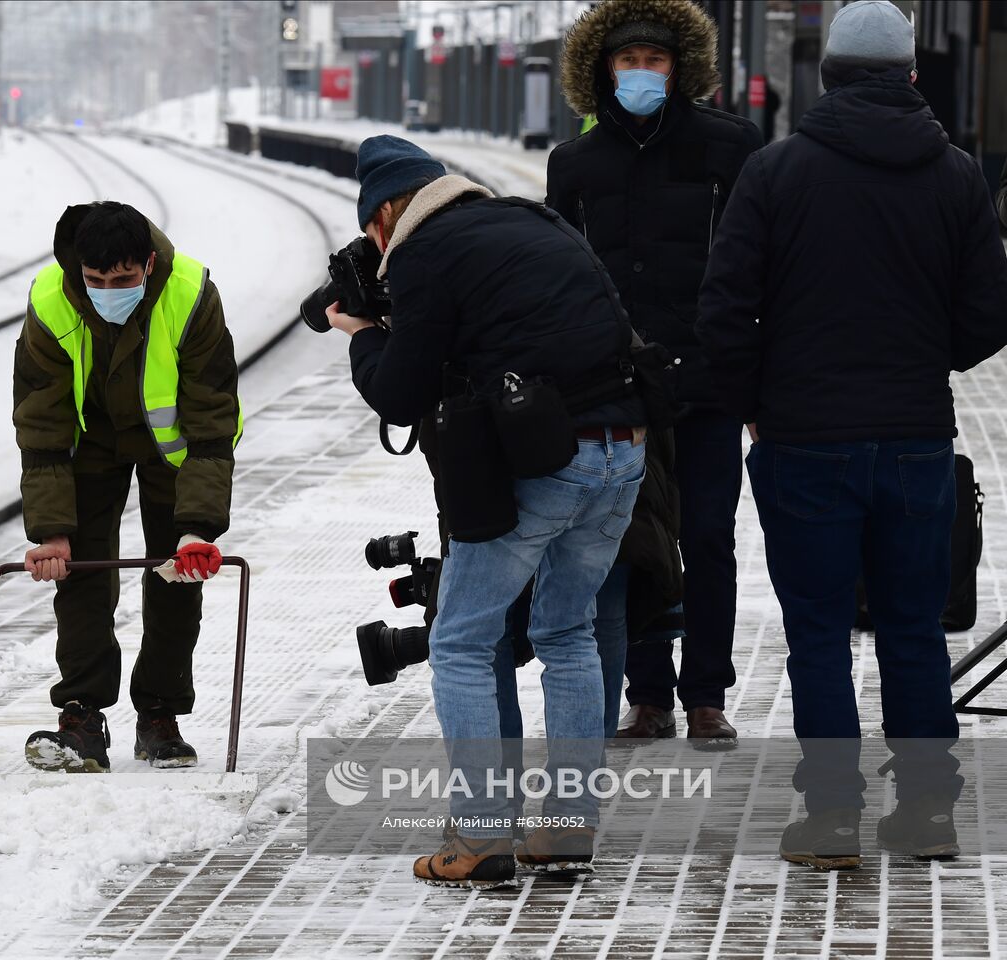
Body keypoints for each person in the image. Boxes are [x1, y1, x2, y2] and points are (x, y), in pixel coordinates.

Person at [698, 0, 1007, 869]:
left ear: (826, 76)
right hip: (914, 438)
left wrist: (756, 399)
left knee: (819, 635)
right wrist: (926, 360)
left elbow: (723, 310)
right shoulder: (955, 175)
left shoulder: (777, 171)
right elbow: (989, 310)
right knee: (913, 631)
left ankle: (832, 818)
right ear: (912, 76)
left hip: (803, 440)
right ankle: (928, 813)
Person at [329, 135, 648, 888]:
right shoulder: (534, 219)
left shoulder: (422, 254)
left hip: (550, 460)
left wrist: (364, 334)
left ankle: (478, 837)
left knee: (464, 640)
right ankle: (568, 828)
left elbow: (402, 392)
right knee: (567, 629)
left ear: (383, 218)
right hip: (625, 450)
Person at [545, 0, 763, 746]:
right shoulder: (576, 163)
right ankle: (648, 696)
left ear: (682, 69)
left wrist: (755, 379)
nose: (642, 73)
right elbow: (556, 274)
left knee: (707, 538)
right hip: (615, 390)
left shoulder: (731, 147)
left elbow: (759, 266)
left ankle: (706, 695)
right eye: (628, 61)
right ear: (603, 69)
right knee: (630, 541)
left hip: (706, 381)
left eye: (656, 61)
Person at [14, 201, 242, 773]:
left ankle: (160, 715)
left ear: (148, 263)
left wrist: (199, 528)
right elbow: (41, 424)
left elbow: (213, 421)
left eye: (123, 280)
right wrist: (51, 532)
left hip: (173, 445)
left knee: (175, 575)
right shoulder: (51, 300)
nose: (108, 290)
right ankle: (81, 716)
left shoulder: (190, 295)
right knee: (83, 574)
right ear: (78, 272)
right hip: (90, 440)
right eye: (95, 281)